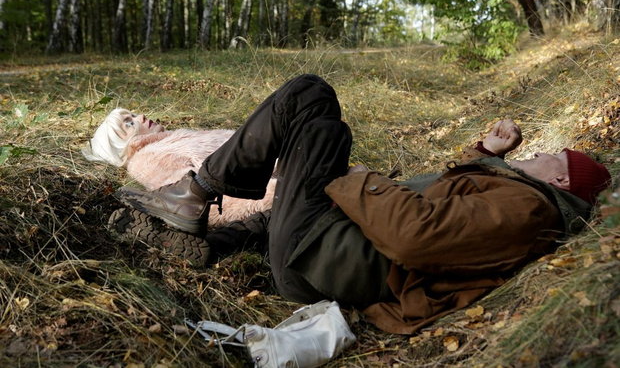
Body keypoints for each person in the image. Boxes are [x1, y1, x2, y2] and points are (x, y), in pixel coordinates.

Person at [114, 74, 611, 334]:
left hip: (324, 257)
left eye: (546, 157)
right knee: (326, 134)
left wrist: (360, 180)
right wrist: (487, 154)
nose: (536, 154)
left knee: (309, 95)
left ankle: (197, 191)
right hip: (326, 247)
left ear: (562, 178)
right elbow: (449, 201)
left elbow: (418, 237)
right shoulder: (520, 199)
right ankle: (211, 241)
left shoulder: (530, 209)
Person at [83, 108, 275, 227]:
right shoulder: (147, 160)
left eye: (132, 115)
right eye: (129, 123)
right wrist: (276, 193)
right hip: (278, 180)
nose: (141, 116)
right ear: (119, 146)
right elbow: (194, 202)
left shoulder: (169, 140)